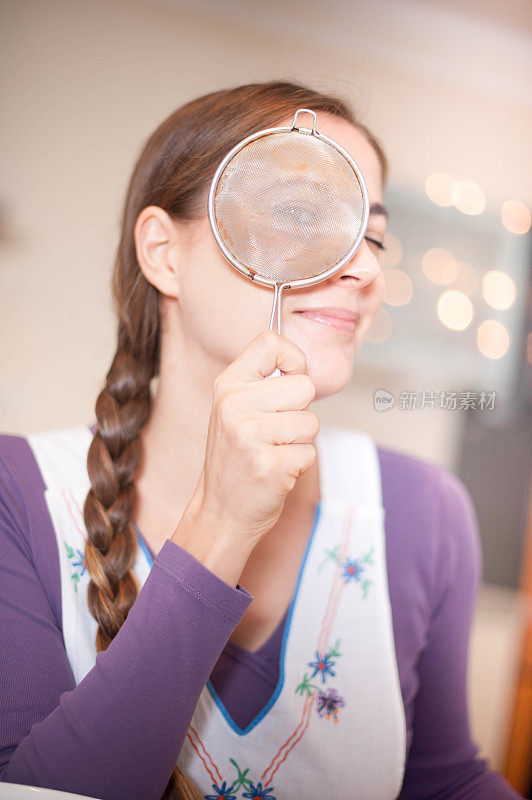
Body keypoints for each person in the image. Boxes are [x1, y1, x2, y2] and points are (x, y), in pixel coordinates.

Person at [0, 81, 523, 800]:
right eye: (303, 213)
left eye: (372, 235)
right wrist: (221, 523)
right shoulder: (17, 494)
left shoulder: (424, 509)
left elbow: (443, 780)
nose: (366, 267)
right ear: (163, 252)